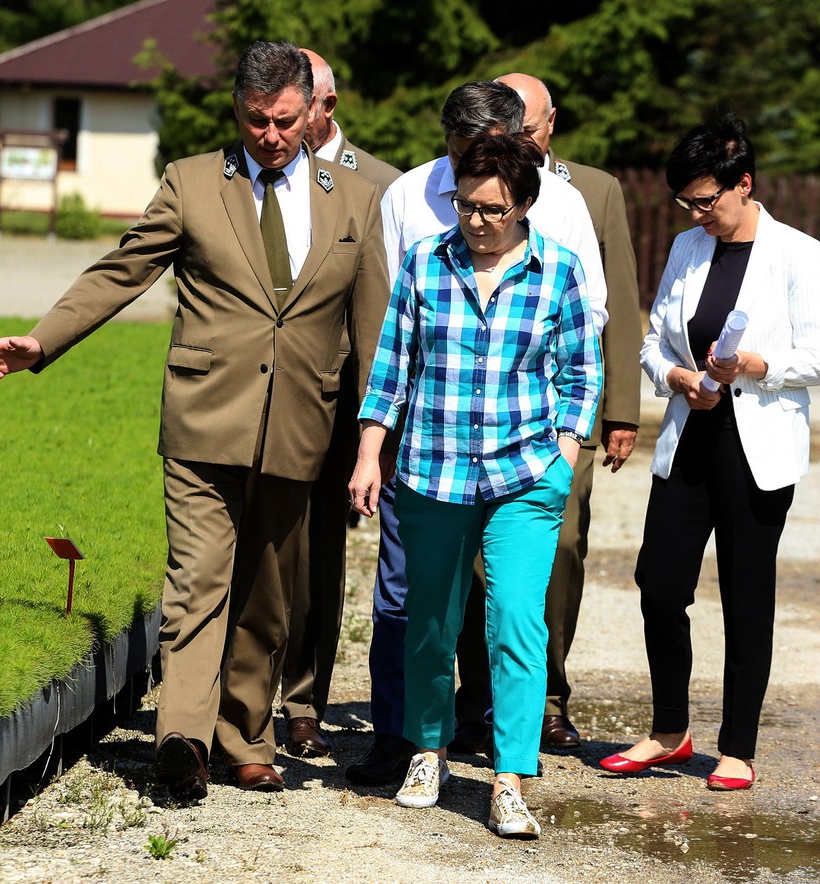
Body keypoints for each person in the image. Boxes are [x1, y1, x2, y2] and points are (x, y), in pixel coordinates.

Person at [0, 41, 390, 800]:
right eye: (256, 121)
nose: (270, 136)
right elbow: (122, 269)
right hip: (201, 423)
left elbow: (373, 326)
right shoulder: (191, 182)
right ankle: (182, 740)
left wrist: (372, 441)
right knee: (196, 582)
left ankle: (247, 737)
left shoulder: (352, 198)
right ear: (237, 109)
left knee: (268, 594)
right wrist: (42, 339)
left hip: (300, 428)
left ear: (309, 112)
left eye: (285, 121)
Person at [347, 79, 607, 786]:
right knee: (430, 624)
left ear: (523, 204)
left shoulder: (559, 269)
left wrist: (564, 453)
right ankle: (426, 751)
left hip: (524, 476)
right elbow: (390, 369)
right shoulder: (425, 262)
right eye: (466, 205)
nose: (477, 220)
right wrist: (371, 453)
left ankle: (511, 775)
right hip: (433, 472)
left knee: (517, 625)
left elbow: (583, 373)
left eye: (492, 209)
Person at [600, 113, 820, 790]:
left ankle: (737, 747)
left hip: (756, 446)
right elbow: (652, 340)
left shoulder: (797, 252)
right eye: (686, 202)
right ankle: (669, 731)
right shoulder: (685, 247)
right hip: (689, 437)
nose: (697, 213)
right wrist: (671, 377)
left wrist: (759, 365)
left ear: (744, 184)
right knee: (659, 583)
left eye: (707, 200)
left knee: (745, 592)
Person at [449, 72, 643, 754]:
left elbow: (615, 301)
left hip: (565, 411)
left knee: (558, 548)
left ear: (549, 125)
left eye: (525, 130)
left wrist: (621, 409)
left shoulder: (591, 190)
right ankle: (478, 698)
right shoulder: (468, 192)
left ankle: (549, 696)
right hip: (477, 412)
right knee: (477, 560)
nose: (512, 142)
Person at [279, 48, 401, 760]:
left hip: (338, 405)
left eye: (306, 102)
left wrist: (371, 433)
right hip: (266, 394)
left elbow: (377, 316)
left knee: (319, 562)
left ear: (325, 106)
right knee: (261, 556)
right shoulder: (252, 175)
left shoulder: (381, 186)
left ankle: (303, 701)